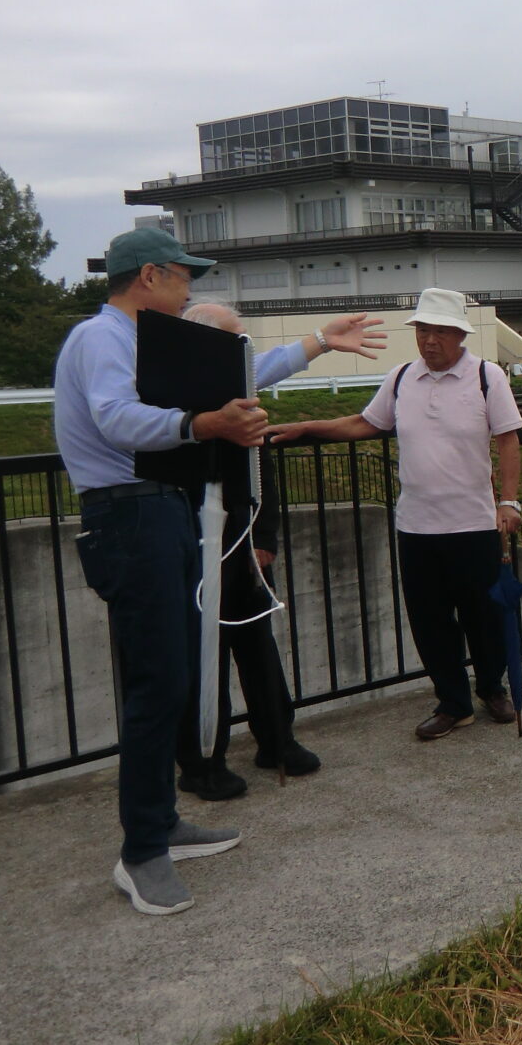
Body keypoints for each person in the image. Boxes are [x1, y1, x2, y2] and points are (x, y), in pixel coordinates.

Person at [54, 227, 384, 915]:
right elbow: (117, 419)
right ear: (149, 275)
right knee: (158, 682)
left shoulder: (143, 340)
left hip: (160, 512)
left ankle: (160, 823)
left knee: (172, 678)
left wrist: (319, 341)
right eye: (182, 275)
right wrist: (207, 427)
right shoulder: (101, 338)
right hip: (130, 515)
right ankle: (142, 851)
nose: (189, 287)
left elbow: (233, 382)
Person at [269, 287, 522, 741]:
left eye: (440, 331)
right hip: (416, 525)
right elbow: (367, 423)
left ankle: (491, 687)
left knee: (482, 616)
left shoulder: (486, 376)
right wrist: (307, 427)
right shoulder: (402, 376)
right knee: (428, 620)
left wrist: (509, 501)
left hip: (473, 523)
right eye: (423, 330)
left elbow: (508, 439)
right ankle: (453, 702)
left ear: (459, 335)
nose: (430, 340)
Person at [171, 302, 322, 800]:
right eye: (235, 339)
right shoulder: (173, 401)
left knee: (258, 645)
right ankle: (203, 760)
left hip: (243, 539)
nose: (244, 348)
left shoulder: (242, 395)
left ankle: (277, 740)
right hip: (194, 546)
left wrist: (265, 540)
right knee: (201, 655)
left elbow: (263, 474)